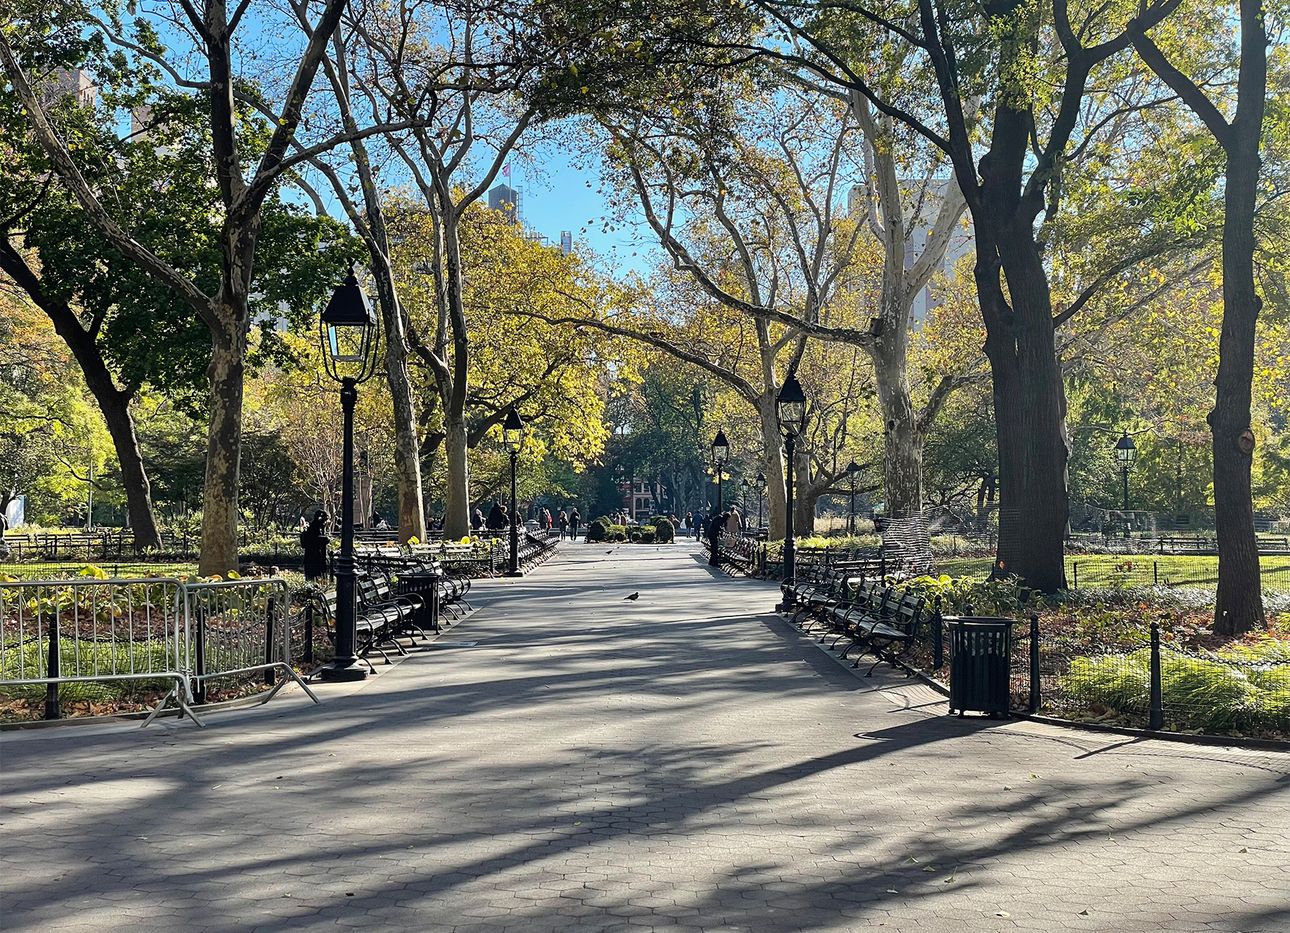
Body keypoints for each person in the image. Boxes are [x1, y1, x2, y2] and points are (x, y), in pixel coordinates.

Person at [300, 510, 330, 581]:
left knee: (315, 575)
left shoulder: (316, 526)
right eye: (324, 520)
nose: (325, 523)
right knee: (314, 575)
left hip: (314, 556)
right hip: (313, 556)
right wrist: (325, 539)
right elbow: (314, 539)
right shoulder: (315, 527)